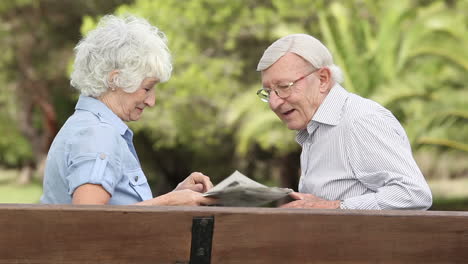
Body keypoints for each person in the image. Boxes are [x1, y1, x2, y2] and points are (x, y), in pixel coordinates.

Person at [40, 15, 216, 206]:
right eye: (147, 88)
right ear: (115, 79)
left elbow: (113, 214)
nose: (152, 101)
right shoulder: (98, 133)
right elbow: (88, 220)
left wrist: (178, 195)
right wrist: (170, 202)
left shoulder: (84, 125)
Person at [256, 34, 432, 210]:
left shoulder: (360, 121)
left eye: (284, 86)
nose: (274, 102)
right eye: (268, 92)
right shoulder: (314, 129)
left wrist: (335, 206)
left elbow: (414, 194)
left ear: (323, 79)